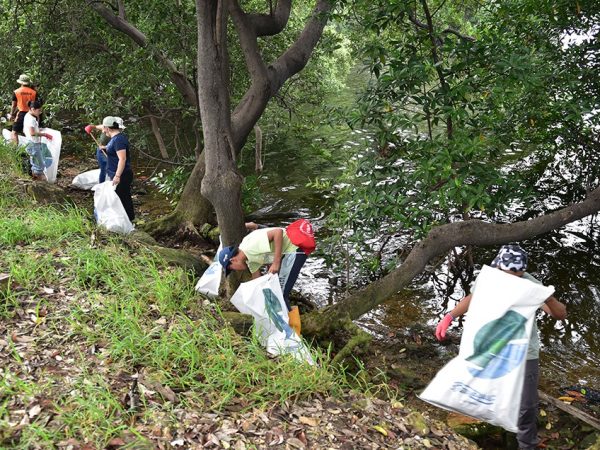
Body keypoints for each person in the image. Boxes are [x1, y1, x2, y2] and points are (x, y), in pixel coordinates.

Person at [435, 244, 567, 450]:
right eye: (503, 271)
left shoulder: (530, 286)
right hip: (493, 345)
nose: (506, 277)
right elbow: (473, 298)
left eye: (513, 274)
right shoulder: (490, 277)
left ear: (521, 272)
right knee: (488, 390)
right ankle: (494, 430)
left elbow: (559, 314)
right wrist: (450, 316)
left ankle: (526, 445)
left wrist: (547, 297)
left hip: (523, 352)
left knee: (527, 406)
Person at [218, 222, 307, 334]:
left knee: (280, 294)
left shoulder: (250, 247)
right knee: (276, 293)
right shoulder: (249, 260)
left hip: (294, 249)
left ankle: (294, 333)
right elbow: (257, 280)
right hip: (287, 253)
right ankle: (287, 325)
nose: (235, 270)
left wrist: (276, 262)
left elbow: (278, 232)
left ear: (233, 260)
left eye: (232, 268)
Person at [92, 116, 135, 221]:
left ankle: (128, 221)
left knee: (122, 199)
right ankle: (126, 219)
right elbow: (115, 150)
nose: (103, 130)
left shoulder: (118, 140)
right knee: (122, 197)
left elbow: (122, 159)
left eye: (104, 128)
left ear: (108, 128)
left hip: (123, 174)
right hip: (117, 173)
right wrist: (106, 148)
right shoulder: (115, 139)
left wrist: (117, 175)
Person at [23, 100, 53, 180]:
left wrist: (39, 129)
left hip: (30, 143)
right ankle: (40, 185)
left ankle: (35, 181)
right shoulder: (31, 119)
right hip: (33, 144)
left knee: (35, 164)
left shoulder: (28, 115)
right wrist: (45, 134)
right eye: (39, 110)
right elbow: (32, 133)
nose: (40, 112)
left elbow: (31, 130)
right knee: (39, 166)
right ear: (33, 109)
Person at [9, 74, 39, 145]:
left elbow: (14, 105)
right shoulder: (34, 92)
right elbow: (37, 105)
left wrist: (11, 114)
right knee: (30, 132)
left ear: (20, 82)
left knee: (14, 132)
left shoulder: (16, 92)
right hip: (32, 114)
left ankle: (15, 152)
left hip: (21, 114)